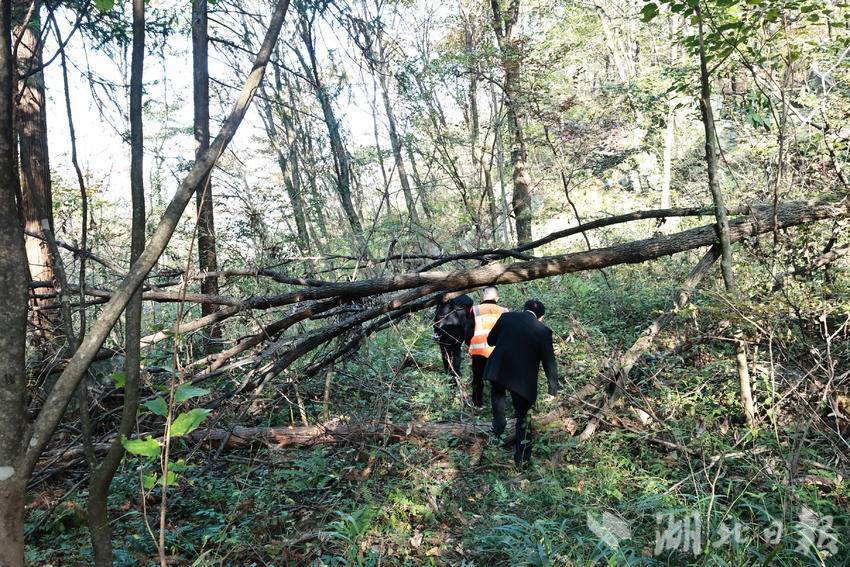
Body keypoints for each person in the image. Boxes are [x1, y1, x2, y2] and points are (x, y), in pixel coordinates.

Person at [484, 299, 559, 468]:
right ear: (542, 317)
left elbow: (490, 340)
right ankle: (522, 459)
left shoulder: (507, 317)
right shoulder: (543, 331)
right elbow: (549, 362)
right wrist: (553, 387)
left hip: (498, 370)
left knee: (498, 397)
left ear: (523, 309)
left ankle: (498, 429)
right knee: (523, 417)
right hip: (522, 380)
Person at [465, 286, 507, 407]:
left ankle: (477, 405)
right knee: (498, 381)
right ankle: (499, 408)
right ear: (497, 297)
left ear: (484, 296)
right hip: (498, 352)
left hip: (479, 351)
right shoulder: (504, 311)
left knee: (477, 381)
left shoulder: (475, 309)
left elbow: (469, 331)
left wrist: (468, 344)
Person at [433, 294, 473, 377]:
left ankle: (449, 375)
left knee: (446, 354)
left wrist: (436, 331)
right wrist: (467, 336)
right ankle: (456, 375)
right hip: (459, 330)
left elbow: (437, 315)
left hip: (444, 329)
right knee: (457, 352)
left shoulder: (444, 297)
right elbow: (469, 319)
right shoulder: (468, 300)